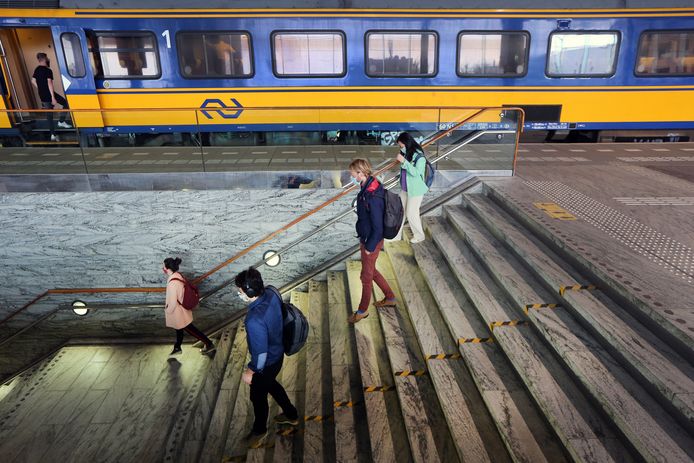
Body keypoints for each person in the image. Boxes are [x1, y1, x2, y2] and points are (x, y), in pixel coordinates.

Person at [236, 267, 299, 447]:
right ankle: (291, 414)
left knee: (257, 397)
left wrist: (251, 371)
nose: (238, 293)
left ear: (249, 292)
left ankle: (259, 430)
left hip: (266, 363)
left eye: (240, 291)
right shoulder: (271, 292)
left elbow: (260, 354)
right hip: (278, 354)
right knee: (272, 385)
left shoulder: (254, 319)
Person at [348, 158, 397, 324]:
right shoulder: (367, 186)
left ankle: (362, 311)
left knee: (366, 277)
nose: (352, 176)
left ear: (361, 173)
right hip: (367, 238)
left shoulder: (373, 195)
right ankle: (390, 297)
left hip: (371, 241)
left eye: (353, 174)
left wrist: (369, 247)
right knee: (371, 272)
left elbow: (377, 226)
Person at [163, 257, 216, 356]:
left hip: (178, 313)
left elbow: (173, 303)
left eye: (163, 266)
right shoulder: (177, 275)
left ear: (167, 268)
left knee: (191, 330)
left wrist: (167, 311)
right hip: (181, 310)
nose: (163, 268)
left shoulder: (172, 283)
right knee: (179, 329)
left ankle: (209, 344)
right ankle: (177, 347)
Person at [395, 132, 428, 243]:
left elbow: (416, 173)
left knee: (411, 213)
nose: (401, 148)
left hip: (416, 190)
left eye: (401, 146)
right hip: (405, 188)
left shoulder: (419, 157)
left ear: (407, 143)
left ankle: (419, 236)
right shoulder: (407, 153)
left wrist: (404, 162)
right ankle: (395, 235)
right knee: (400, 212)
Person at [31, 52, 72, 141]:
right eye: (47, 58)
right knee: (65, 103)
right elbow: (50, 83)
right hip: (49, 94)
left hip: (42, 94)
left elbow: (33, 81)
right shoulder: (48, 70)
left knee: (49, 115)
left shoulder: (37, 69)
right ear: (45, 59)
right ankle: (61, 121)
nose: (48, 59)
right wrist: (53, 97)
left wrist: (40, 88)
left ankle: (53, 135)